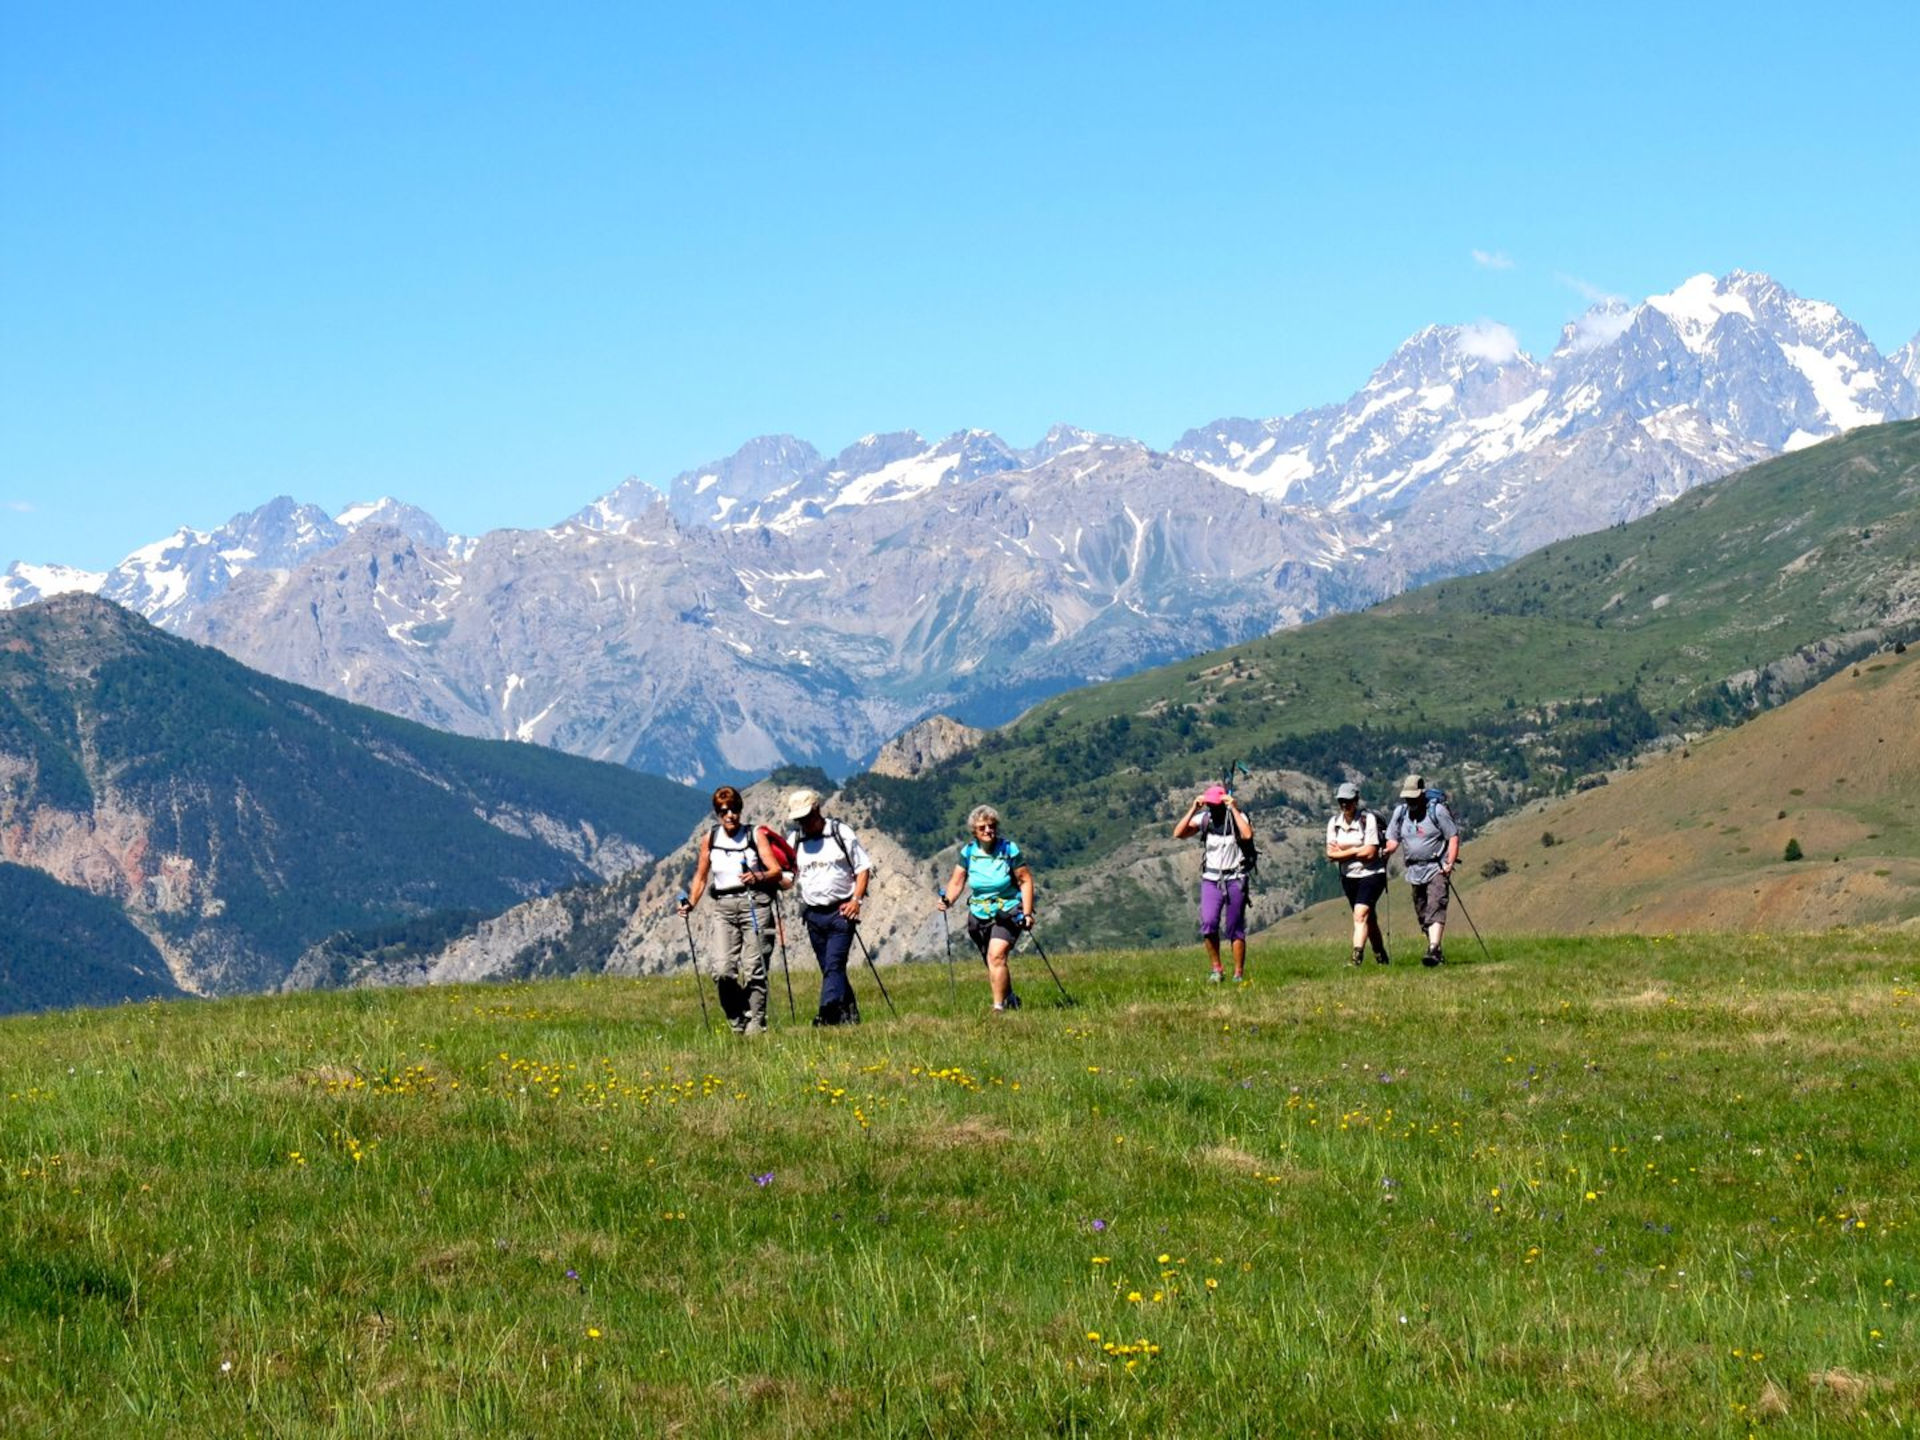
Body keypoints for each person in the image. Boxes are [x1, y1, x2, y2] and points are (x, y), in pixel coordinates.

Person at [677, 785, 786, 1034]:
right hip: (724, 907)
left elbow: (776, 871)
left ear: (740, 809)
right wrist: (690, 904)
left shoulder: (755, 835)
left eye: (734, 809)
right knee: (722, 970)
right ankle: (738, 1018)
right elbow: (701, 877)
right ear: (717, 813)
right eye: (724, 811)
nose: (730, 815)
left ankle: (756, 1023)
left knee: (754, 967)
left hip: (755, 903)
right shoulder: (711, 839)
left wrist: (757, 876)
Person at [784, 787, 873, 1025]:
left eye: (806, 817)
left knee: (834, 965)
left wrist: (856, 900)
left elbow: (862, 868)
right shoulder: (794, 840)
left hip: (841, 912)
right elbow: (788, 877)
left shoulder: (839, 832)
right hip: (813, 915)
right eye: (799, 819)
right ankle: (849, 1017)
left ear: (817, 809)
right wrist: (767, 879)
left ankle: (826, 1014)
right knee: (830, 969)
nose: (803, 823)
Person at [936, 804, 1036, 1014]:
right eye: (982, 827)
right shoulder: (968, 852)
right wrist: (948, 900)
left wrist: (1027, 913)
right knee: (991, 961)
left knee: (996, 956)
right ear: (974, 831)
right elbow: (957, 881)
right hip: (979, 914)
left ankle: (998, 1008)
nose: (988, 830)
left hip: (1007, 910)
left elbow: (1025, 880)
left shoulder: (1009, 849)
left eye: (991, 826)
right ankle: (1010, 999)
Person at [1173, 783, 1253, 982]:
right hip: (1211, 878)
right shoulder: (1205, 819)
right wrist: (1193, 808)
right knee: (1209, 923)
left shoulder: (1237, 817)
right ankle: (1216, 969)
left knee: (1234, 926)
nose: (1213, 808)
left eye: (1215, 805)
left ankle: (1238, 973)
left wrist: (1233, 807)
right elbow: (1178, 833)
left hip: (1235, 877)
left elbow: (1247, 834)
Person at [1382, 774, 1460, 967]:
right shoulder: (1400, 813)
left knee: (1436, 905)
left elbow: (1453, 836)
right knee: (1422, 911)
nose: (1410, 801)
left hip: (1436, 867)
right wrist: (1385, 852)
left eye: (1414, 797)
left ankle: (1433, 949)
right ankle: (1435, 951)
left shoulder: (1438, 811)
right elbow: (1393, 840)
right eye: (1408, 797)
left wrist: (1449, 863)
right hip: (1414, 870)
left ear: (1422, 795)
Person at [1325, 782, 1389, 966]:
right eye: (1341, 801)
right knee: (1369, 919)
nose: (1345, 805)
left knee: (1360, 914)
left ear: (1356, 800)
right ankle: (1380, 956)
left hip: (1372, 874)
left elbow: (1370, 853)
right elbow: (1330, 853)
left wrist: (1344, 852)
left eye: (1348, 801)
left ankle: (1356, 958)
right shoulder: (1334, 823)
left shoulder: (1367, 819)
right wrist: (1357, 850)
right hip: (1349, 877)